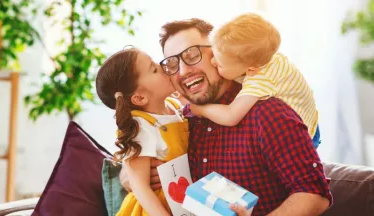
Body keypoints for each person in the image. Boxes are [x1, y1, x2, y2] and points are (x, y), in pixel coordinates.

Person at [121, 18, 333, 216]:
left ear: (217, 53)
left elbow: (315, 195)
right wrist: (134, 178)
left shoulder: (267, 112)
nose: (184, 70)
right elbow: (132, 160)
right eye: (173, 64)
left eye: (192, 55)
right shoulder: (181, 120)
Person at [189, 13, 321, 148]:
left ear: (251, 70)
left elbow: (231, 116)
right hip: (311, 116)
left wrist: (201, 110)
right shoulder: (266, 56)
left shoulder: (261, 80)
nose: (212, 62)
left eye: (220, 64)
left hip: (304, 134)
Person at [96, 48, 188, 216]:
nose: (162, 65)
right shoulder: (140, 126)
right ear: (140, 98)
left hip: (182, 199)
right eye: (153, 69)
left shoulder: (175, 106)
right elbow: (140, 188)